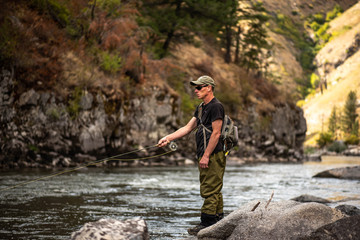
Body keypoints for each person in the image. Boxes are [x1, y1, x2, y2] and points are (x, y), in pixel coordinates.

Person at [157, 75, 226, 235]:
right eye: (195, 87)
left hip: (213, 154)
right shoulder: (202, 107)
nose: (196, 90)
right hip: (205, 153)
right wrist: (167, 138)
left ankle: (207, 224)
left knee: (209, 189)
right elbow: (187, 128)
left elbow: (216, 134)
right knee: (213, 188)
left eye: (199, 87)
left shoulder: (216, 106)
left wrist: (206, 155)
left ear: (209, 88)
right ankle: (218, 221)